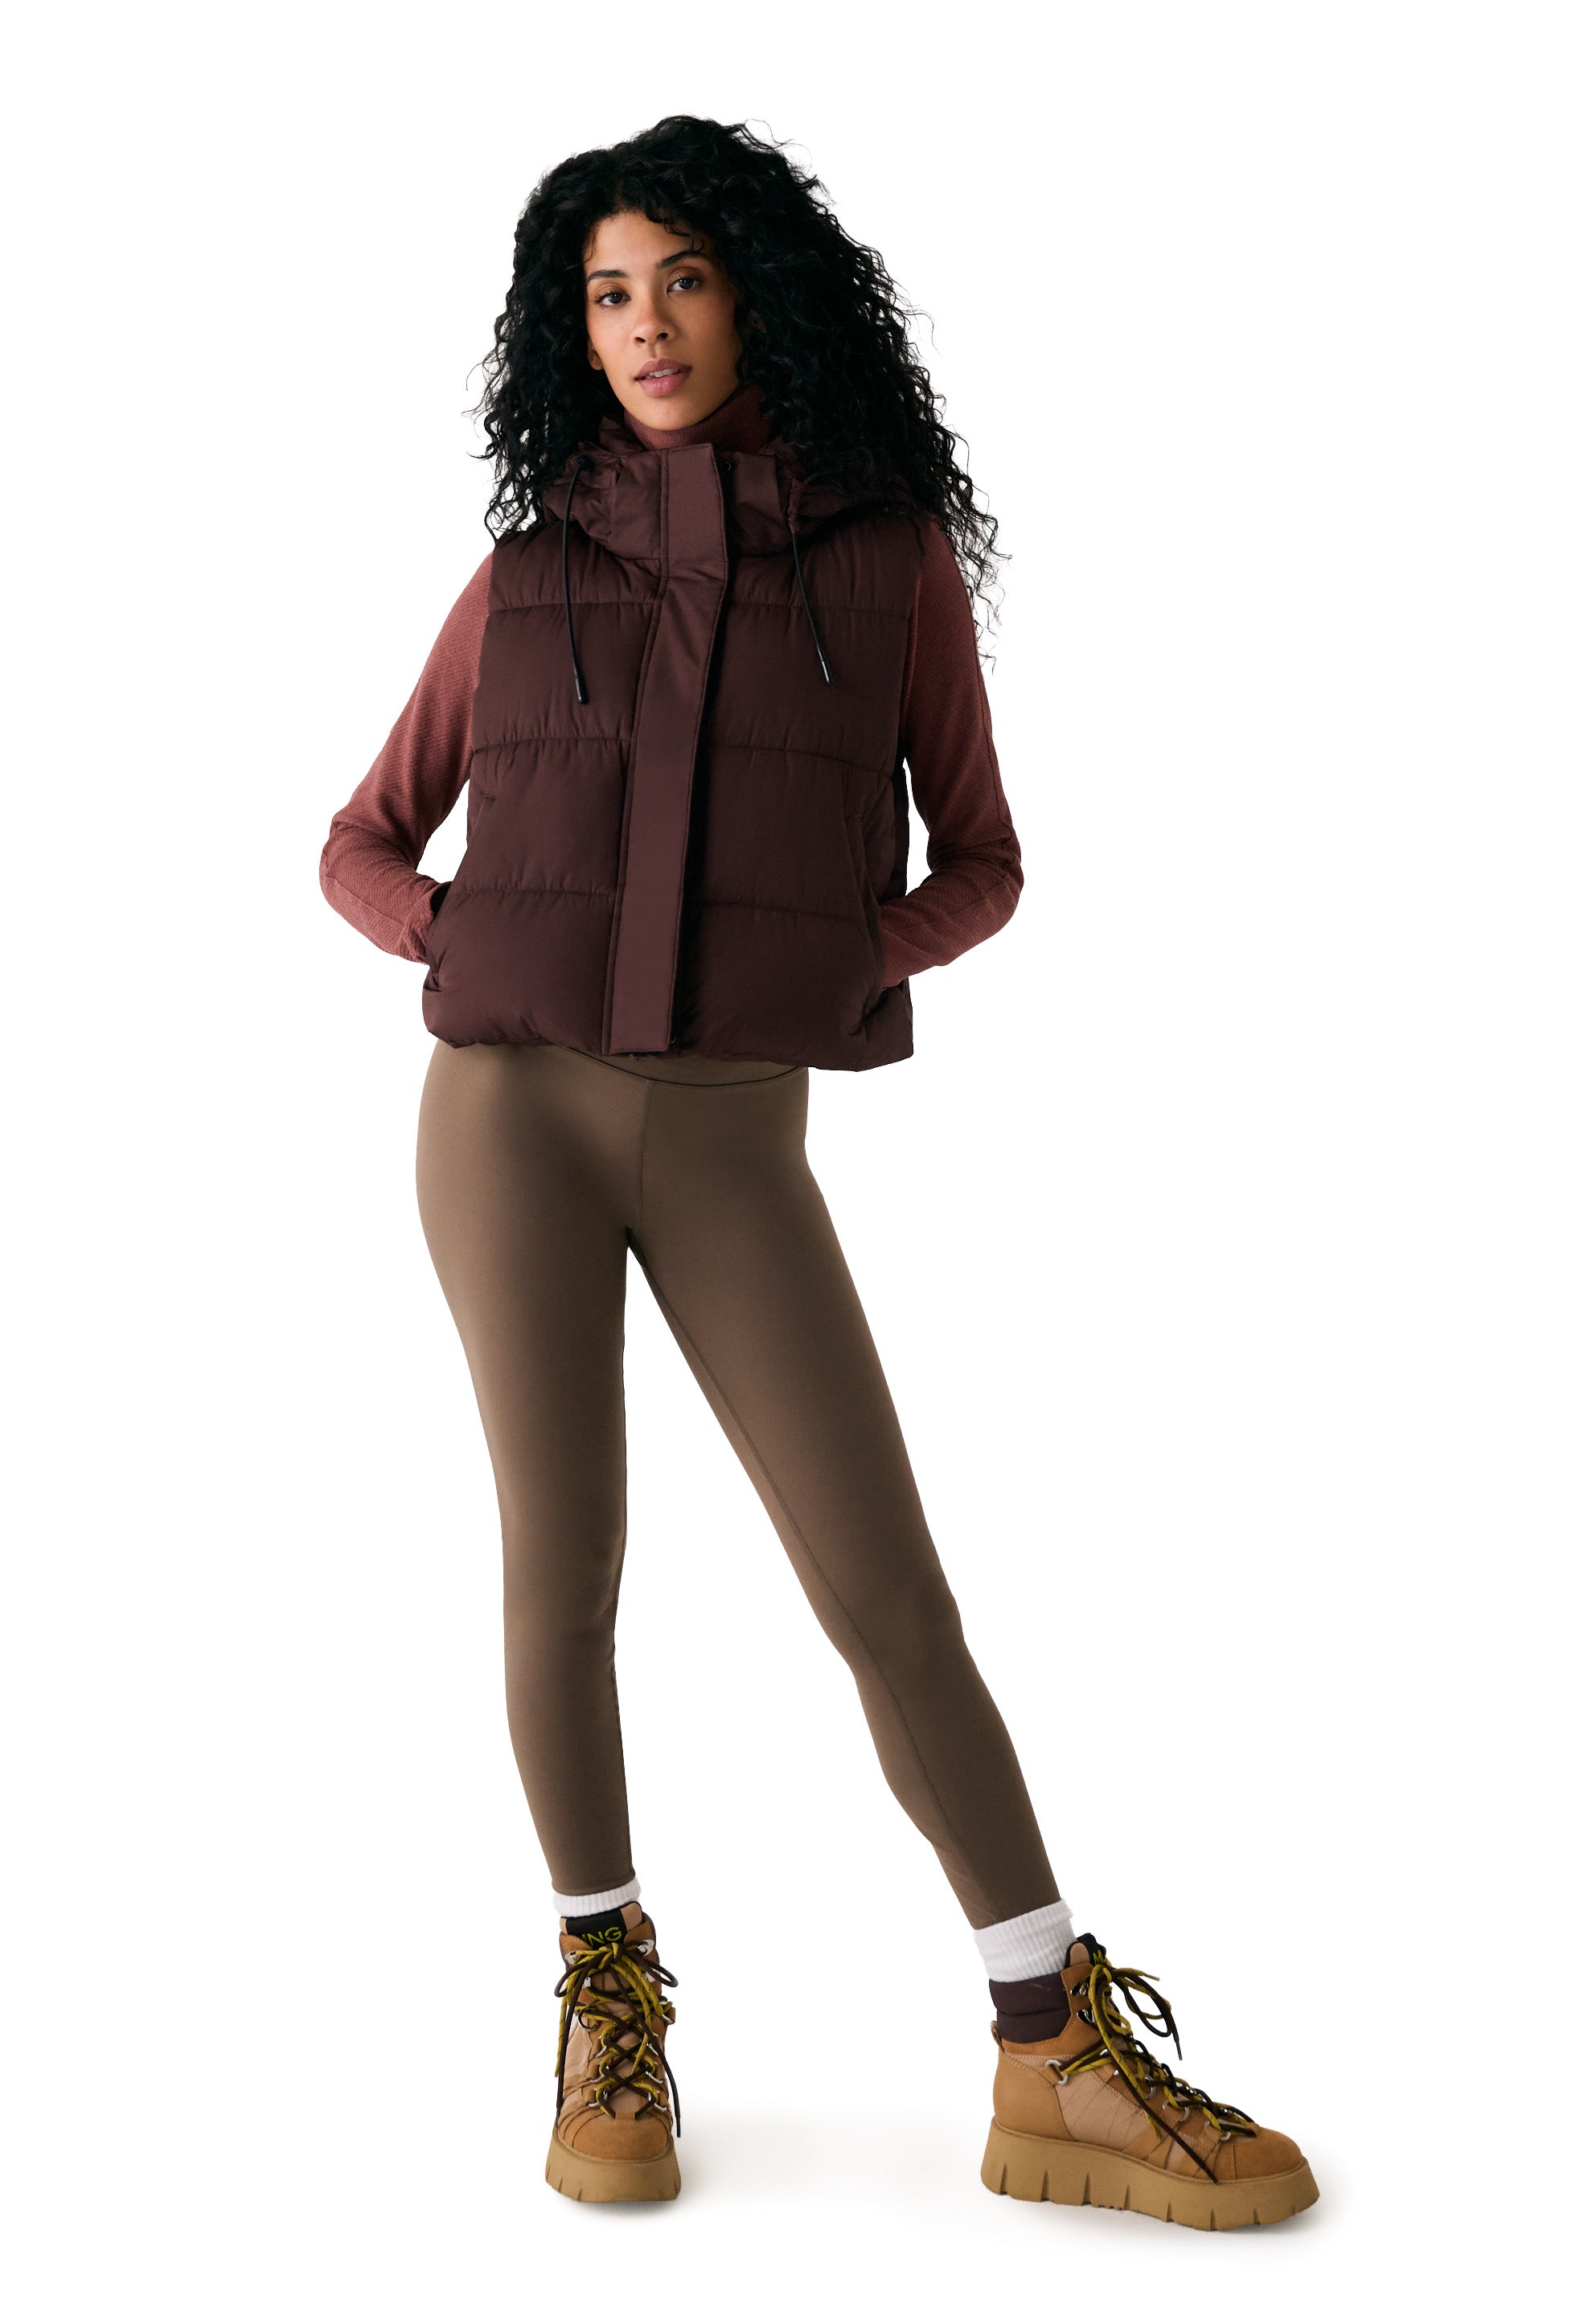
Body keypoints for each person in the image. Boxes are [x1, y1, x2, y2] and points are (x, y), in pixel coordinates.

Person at [318, 113, 1316, 2229]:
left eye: (681, 277)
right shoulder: (529, 574)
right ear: (568, 331)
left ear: (757, 295)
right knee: (562, 1564)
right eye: (606, 292)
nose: (645, 326)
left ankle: (1052, 2049)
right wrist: (454, 938)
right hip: (507, 1121)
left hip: (733, 1144)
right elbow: (359, 841)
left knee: (886, 1587)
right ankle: (606, 1992)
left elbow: (990, 861)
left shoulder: (887, 563)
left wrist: (852, 955)